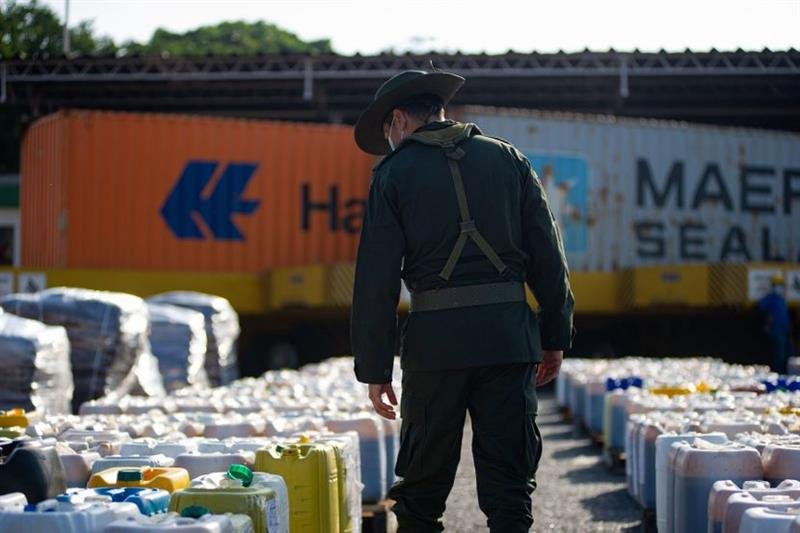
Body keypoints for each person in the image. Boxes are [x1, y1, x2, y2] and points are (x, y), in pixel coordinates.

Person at [350, 69, 574, 532]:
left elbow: (375, 281)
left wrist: (375, 369)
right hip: (508, 343)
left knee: (420, 497)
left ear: (398, 120)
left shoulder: (393, 174)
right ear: (440, 111)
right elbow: (549, 258)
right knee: (510, 491)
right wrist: (555, 337)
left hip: (435, 351)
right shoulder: (509, 159)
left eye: (388, 130)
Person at [758, 273, 794, 374]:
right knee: (779, 355)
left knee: (788, 355)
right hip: (776, 331)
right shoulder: (770, 298)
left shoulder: (782, 299)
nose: (780, 287)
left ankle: (785, 374)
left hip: (785, 331)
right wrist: (766, 321)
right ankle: (777, 374)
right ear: (773, 286)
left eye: (781, 285)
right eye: (778, 285)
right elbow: (760, 307)